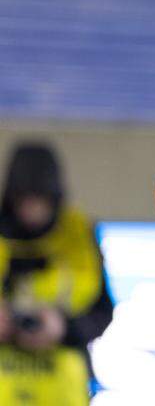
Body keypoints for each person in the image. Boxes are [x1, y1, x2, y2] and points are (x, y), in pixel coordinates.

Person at [0, 141, 113, 405]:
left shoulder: (80, 234)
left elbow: (102, 313)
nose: (32, 210)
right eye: (24, 200)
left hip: (63, 385)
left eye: (40, 200)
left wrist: (63, 328)